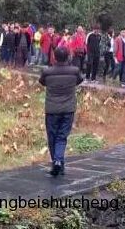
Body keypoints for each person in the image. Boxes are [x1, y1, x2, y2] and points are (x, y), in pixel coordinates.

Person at [39, 47, 84, 176]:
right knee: (62, 136)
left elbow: (42, 82)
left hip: (52, 109)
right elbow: (79, 80)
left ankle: (57, 161)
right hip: (68, 109)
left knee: (52, 136)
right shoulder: (74, 71)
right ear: (68, 57)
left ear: (54, 57)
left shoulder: (47, 72)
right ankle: (59, 163)